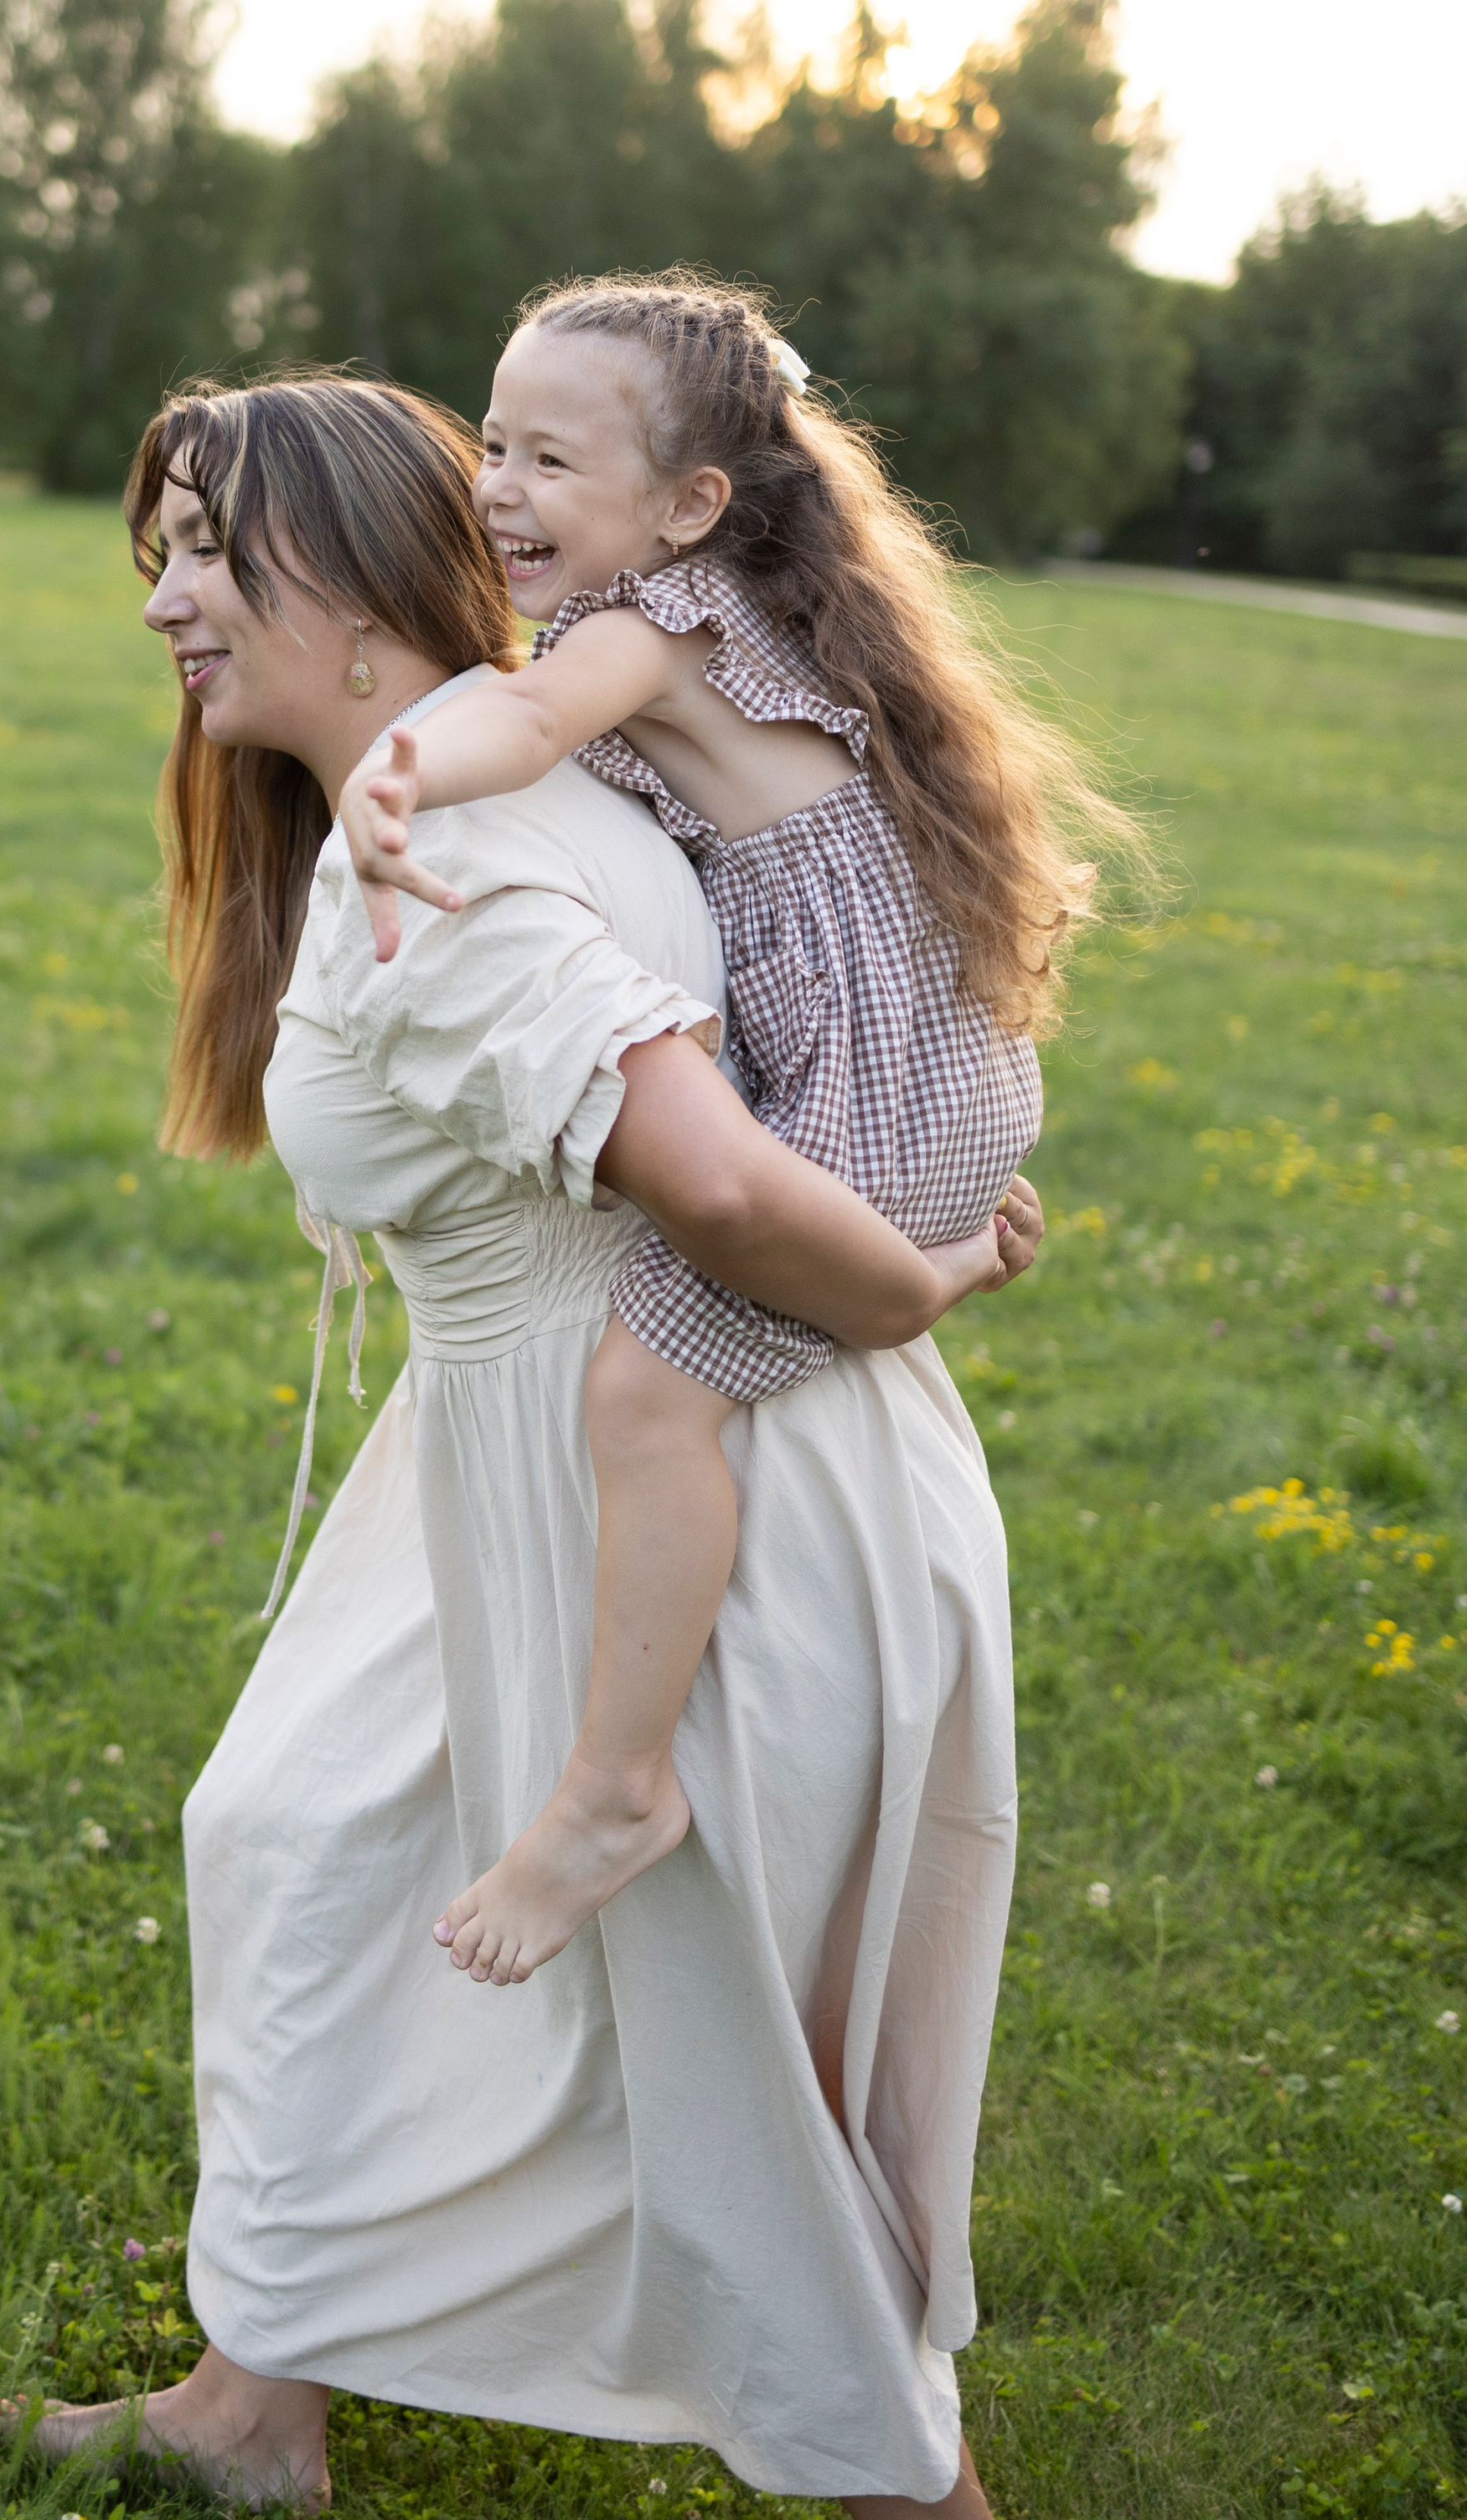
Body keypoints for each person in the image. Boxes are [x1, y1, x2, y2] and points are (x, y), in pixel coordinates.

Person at [5, 367, 1040, 2517]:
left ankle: (900, 2489)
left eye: (207, 550)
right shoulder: (482, 792)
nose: (163, 603)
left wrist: (922, 1280)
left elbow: (722, 1185)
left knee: (711, 2072)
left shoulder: (452, 863)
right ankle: (251, 2397)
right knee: (300, 1831)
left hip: (660, 1475)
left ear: (365, 589)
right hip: (512, 1446)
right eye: (160, 554)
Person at [334, 272, 1133, 1996]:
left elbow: (528, 718)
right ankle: (932, 1258)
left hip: (878, 1087)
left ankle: (614, 1793)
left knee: (643, 1390)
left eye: (550, 458)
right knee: (696, 1335)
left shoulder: (666, 618)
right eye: (490, 442)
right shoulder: (731, 610)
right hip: (922, 1070)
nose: (497, 490)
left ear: (688, 504)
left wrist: (388, 771)